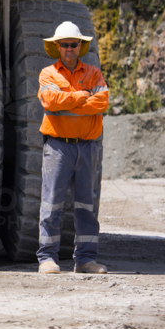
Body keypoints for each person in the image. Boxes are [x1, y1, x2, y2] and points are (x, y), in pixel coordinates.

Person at [36, 21, 109, 275]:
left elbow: (101, 102)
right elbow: (50, 100)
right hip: (58, 149)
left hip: (87, 149)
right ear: (57, 47)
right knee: (51, 205)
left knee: (86, 207)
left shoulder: (93, 73)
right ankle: (47, 259)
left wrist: (68, 102)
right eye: (64, 44)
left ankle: (86, 260)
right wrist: (81, 96)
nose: (69, 48)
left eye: (73, 44)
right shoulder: (48, 74)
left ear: (80, 46)